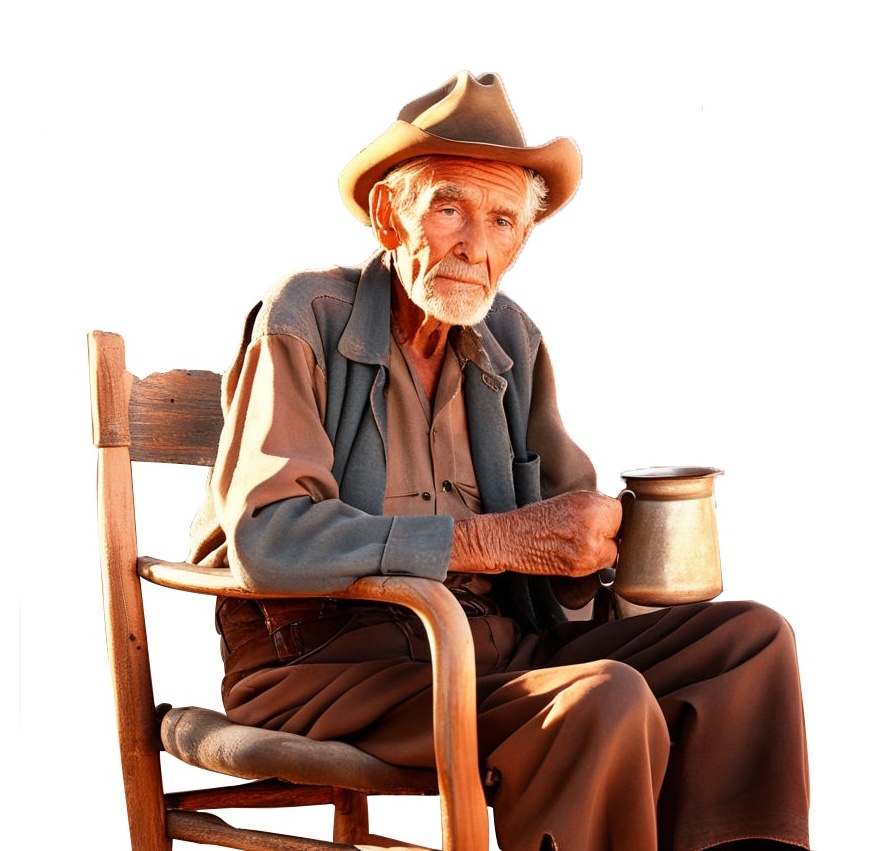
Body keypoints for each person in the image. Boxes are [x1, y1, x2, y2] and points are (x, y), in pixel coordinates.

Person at [190, 71, 810, 851]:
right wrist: (495, 541)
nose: (474, 245)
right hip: (333, 669)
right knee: (604, 695)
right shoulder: (307, 315)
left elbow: (567, 556)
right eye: (448, 208)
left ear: (521, 242)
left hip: (494, 656)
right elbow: (271, 537)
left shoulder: (511, 341)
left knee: (751, 644)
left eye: (502, 220)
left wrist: (595, 550)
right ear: (388, 216)